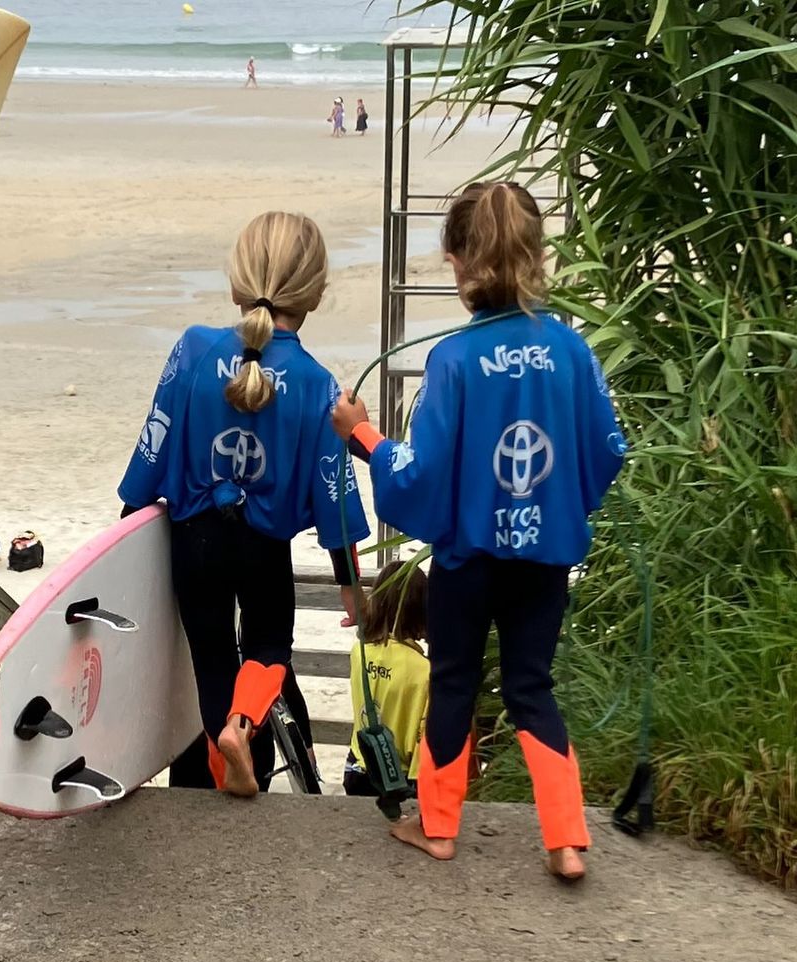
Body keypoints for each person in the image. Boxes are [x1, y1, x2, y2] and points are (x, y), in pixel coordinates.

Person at [332, 181, 626, 879]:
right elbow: (608, 448)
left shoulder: (455, 360)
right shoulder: (570, 350)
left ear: (458, 262)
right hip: (544, 557)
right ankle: (565, 839)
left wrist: (363, 434)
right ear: (538, 256)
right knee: (532, 685)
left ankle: (436, 827)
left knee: (455, 680)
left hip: (469, 560)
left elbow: (419, 471)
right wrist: (558, 508)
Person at [119, 211, 369, 796]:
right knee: (267, 647)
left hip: (194, 538)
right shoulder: (317, 383)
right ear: (314, 294)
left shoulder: (193, 350)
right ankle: (243, 725)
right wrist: (349, 583)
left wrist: (129, 523)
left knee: (210, 657)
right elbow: (335, 495)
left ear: (238, 282)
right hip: (261, 545)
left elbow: (154, 440)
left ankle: (221, 765)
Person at [344, 560, 428, 798]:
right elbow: (422, 737)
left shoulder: (358, 653)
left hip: (357, 767)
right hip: (398, 777)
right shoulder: (423, 671)